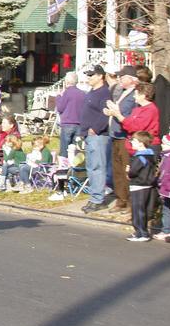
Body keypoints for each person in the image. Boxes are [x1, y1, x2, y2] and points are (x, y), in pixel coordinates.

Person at [79, 65, 112, 214]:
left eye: (92, 75)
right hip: (89, 135)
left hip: (98, 136)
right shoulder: (92, 92)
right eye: (88, 75)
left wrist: (95, 128)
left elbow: (105, 113)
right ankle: (94, 197)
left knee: (98, 167)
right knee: (91, 167)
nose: (89, 78)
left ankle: (98, 199)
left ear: (100, 76)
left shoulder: (104, 92)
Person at [106, 65, 139, 211]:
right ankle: (121, 199)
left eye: (122, 76)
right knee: (117, 169)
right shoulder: (123, 92)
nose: (119, 78)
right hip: (115, 134)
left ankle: (130, 202)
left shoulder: (135, 95)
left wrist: (114, 111)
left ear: (132, 79)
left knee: (127, 170)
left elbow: (128, 114)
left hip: (126, 136)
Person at [126, 132, 157, 242]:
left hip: (139, 185)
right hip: (147, 185)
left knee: (138, 210)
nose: (131, 143)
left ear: (141, 143)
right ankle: (140, 232)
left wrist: (128, 171)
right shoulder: (150, 155)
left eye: (133, 141)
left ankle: (142, 233)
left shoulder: (140, 157)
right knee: (142, 209)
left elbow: (133, 172)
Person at [55, 72, 85, 159]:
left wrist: (58, 97)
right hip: (79, 124)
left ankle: (64, 168)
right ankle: (74, 169)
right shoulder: (82, 93)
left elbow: (60, 108)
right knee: (76, 151)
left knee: (65, 150)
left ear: (66, 82)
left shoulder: (67, 93)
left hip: (68, 123)